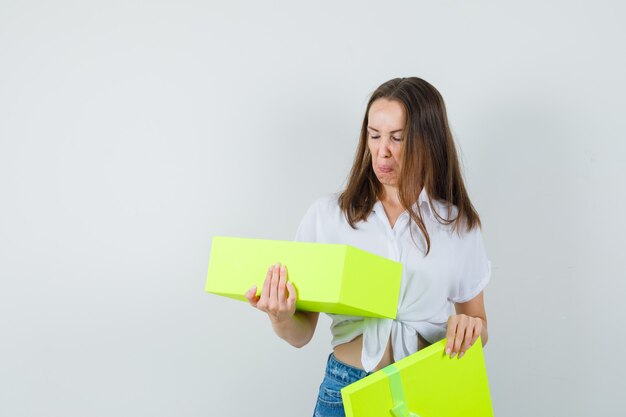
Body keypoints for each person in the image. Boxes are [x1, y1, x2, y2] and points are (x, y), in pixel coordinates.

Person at [244, 77, 491, 417]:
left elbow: (477, 323)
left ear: (428, 140)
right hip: (346, 391)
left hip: (429, 390)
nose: (382, 150)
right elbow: (300, 335)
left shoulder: (458, 224)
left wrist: (470, 328)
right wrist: (280, 317)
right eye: (374, 135)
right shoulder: (328, 216)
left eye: (397, 138)